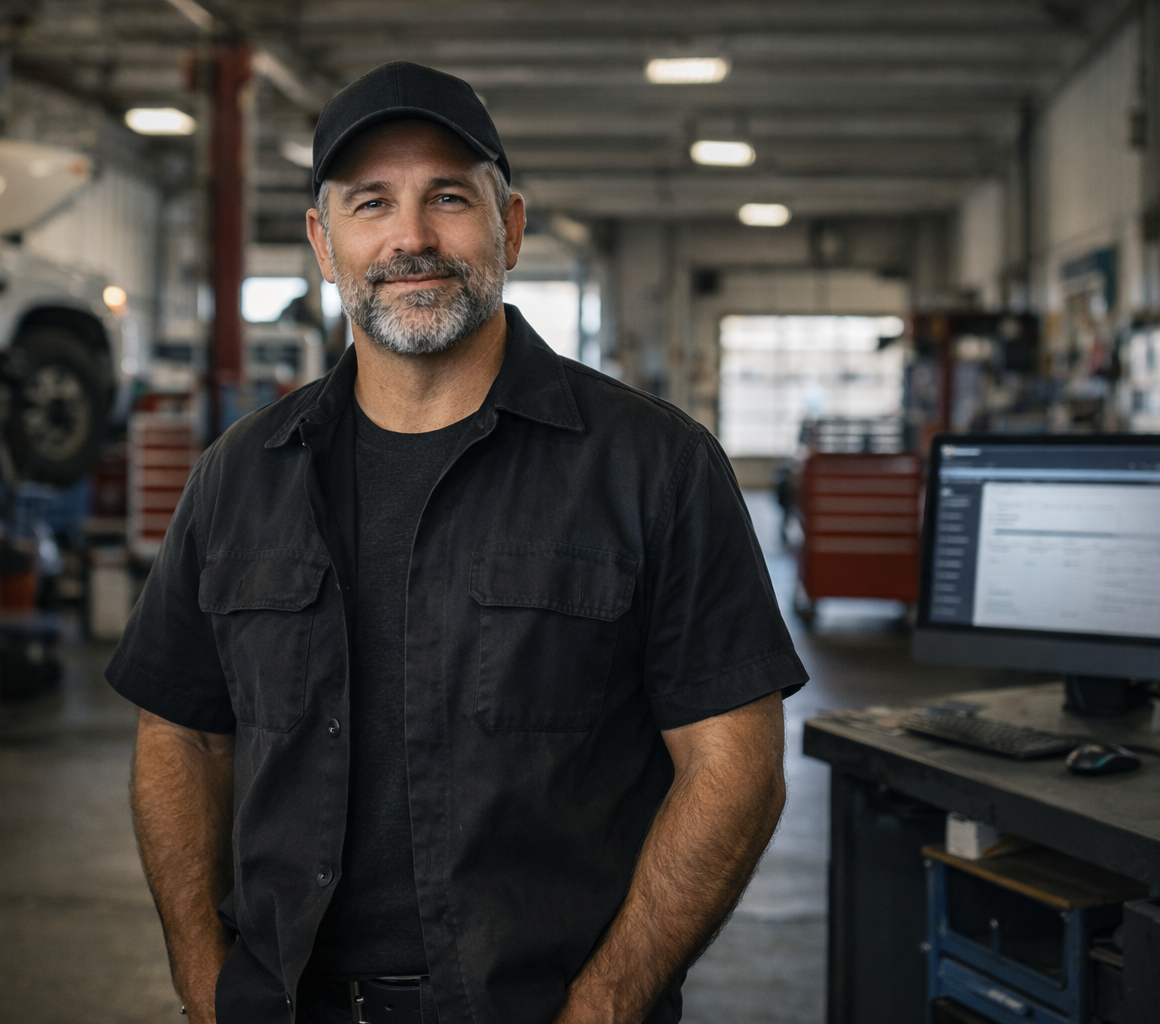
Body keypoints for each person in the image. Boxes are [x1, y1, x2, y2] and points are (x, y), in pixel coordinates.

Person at [110, 61, 807, 1024]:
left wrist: (605, 1004)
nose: (411, 238)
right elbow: (179, 734)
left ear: (510, 227)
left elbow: (736, 761)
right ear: (323, 242)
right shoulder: (241, 476)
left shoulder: (656, 467)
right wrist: (202, 979)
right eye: (370, 204)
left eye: (448, 197)